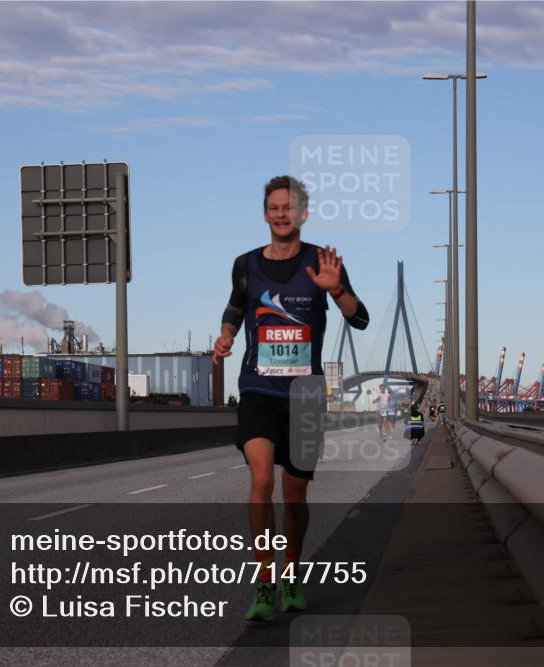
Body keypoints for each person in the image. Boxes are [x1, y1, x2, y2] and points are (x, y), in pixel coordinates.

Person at [213, 175, 370, 622]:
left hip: (304, 394)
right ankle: (265, 582)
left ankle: (292, 574)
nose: (282, 214)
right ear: (266, 214)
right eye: (274, 207)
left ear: (303, 214)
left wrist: (335, 289)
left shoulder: (322, 262)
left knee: (295, 493)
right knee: (261, 479)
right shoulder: (245, 264)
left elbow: (359, 319)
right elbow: (235, 307)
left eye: (290, 207)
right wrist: (226, 337)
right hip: (258, 389)